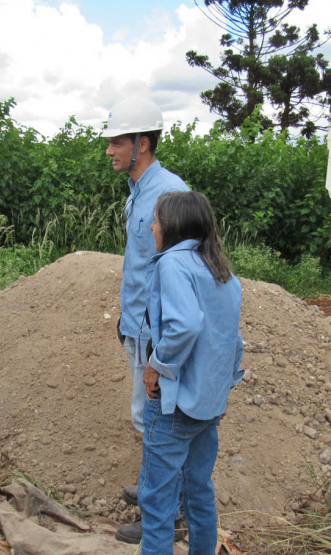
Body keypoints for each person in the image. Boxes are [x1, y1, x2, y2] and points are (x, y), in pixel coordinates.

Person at [103, 96, 190, 543]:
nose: (109, 150)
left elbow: (182, 272)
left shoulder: (169, 194)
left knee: (156, 422)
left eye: (117, 142)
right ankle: (157, 492)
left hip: (156, 333)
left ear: (142, 143)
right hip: (136, 325)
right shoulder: (138, 191)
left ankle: (164, 514)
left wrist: (161, 345)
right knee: (147, 417)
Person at [138, 191, 244, 554]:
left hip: (173, 405)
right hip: (208, 407)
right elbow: (233, 341)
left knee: (157, 501)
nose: (152, 227)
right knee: (198, 491)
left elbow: (184, 325)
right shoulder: (222, 272)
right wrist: (223, 390)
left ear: (172, 225)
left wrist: (156, 366)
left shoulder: (172, 264)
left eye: (156, 220)